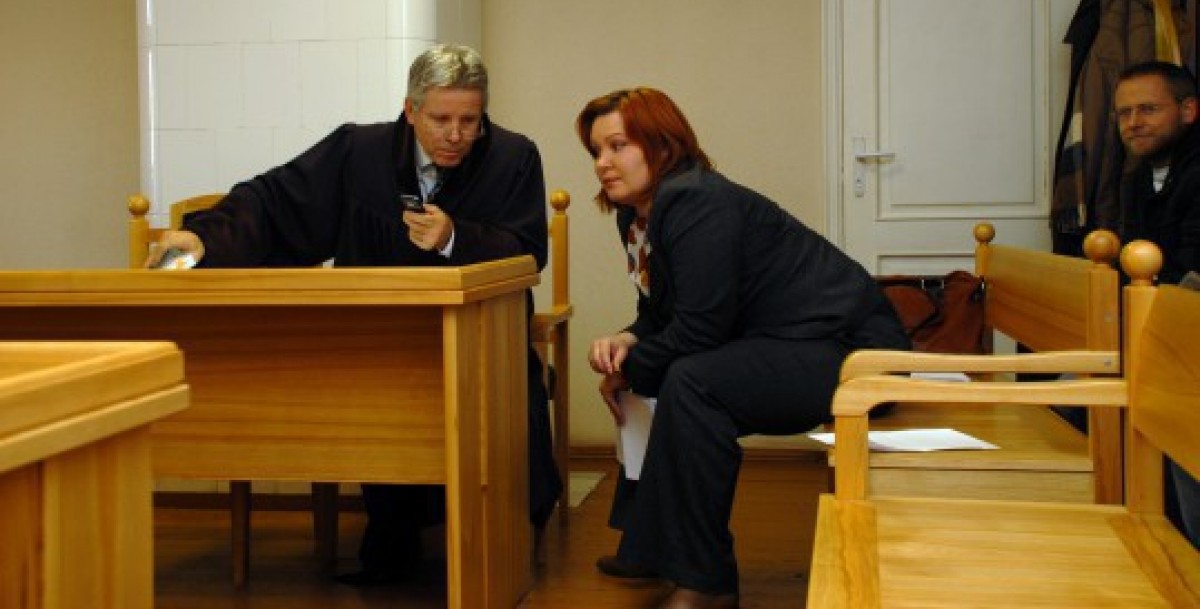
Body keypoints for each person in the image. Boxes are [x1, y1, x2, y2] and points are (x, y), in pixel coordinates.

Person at [149, 43, 563, 582]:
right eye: (440, 120)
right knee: (367, 386)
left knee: (499, 402)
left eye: (469, 120)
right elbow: (274, 202)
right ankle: (393, 540)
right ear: (410, 109)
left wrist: (454, 237)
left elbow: (529, 252)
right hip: (383, 342)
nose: (456, 135)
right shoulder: (359, 151)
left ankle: (494, 546)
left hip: (483, 344)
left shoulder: (514, 157)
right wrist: (203, 237)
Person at [576, 87, 910, 608]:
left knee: (692, 380)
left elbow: (701, 329)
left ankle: (706, 581)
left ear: (661, 146)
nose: (602, 163)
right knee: (666, 373)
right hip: (791, 340)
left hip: (853, 353)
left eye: (617, 146)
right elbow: (663, 310)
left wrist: (633, 367)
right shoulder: (637, 215)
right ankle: (648, 546)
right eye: (596, 150)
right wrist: (627, 341)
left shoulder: (697, 202)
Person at [1114, 59, 1200, 548]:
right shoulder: (1137, 177)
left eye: (1147, 109)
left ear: (1188, 110)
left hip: (1182, 334)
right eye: (1124, 113)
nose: (1133, 123)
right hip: (1154, 328)